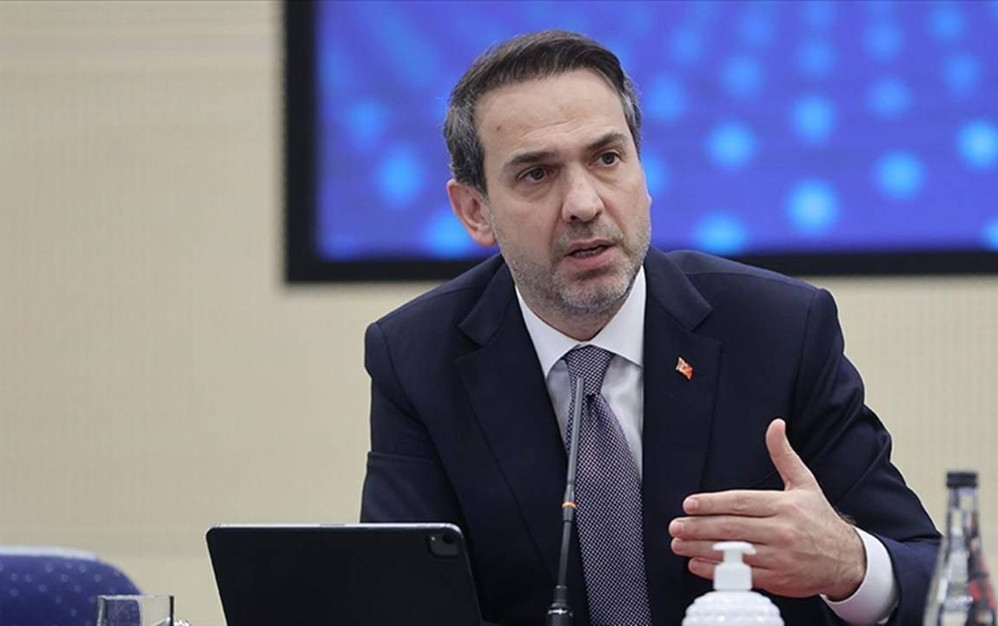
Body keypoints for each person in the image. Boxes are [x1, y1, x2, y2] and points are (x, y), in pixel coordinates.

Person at [359, 30, 939, 626]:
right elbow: (396, 600)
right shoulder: (417, 358)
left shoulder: (779, 330)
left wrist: (848, 564)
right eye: (536, 174)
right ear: (474, 210)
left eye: (607, 159)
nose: (584, 204)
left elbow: (935, 579)